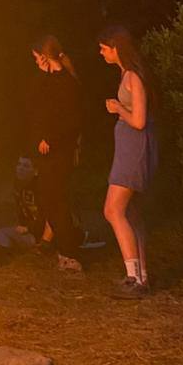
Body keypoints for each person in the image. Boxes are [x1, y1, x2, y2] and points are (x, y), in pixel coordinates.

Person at [99, 25, 158, 299]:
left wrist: (118, 108)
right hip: (126, 150)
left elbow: (139, 120)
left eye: (104, 48)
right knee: (130, 213)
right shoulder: (125, 75)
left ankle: (133, 278)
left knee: (112, 210)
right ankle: (141, 277)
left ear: (116, 48)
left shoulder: (134, 76)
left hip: (134, 152)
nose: (101, 53)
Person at [28, 34, 85, 273]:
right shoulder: (49, 80)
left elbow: (69, 119)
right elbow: (36, 104)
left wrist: (50, 139)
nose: (35, 63)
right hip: (47, 152)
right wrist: (43, 73)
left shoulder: (66, 82)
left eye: (37, 58)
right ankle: (63, 246)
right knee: (47, 199)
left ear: (45, 56)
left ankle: (69, 251)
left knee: (56, 200)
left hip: (59, 151)